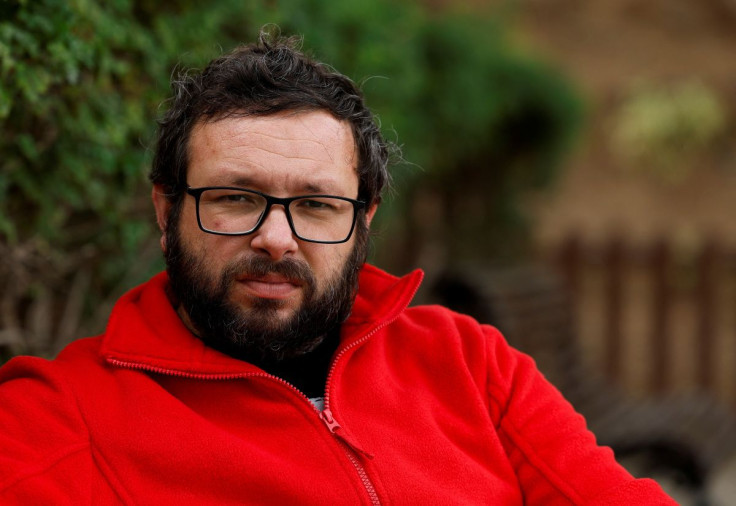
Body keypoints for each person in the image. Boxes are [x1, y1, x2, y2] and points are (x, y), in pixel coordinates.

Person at [0, 32, 675, 505]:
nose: (274, 237)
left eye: (316, 205)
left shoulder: (469, 363)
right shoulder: (57, 416)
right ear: (165, 208)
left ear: (364, 220)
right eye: (235, 198)